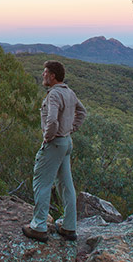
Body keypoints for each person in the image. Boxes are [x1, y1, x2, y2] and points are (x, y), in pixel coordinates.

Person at [22, 60, 87, 243]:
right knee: (66, 185)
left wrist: (48, 137)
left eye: (45, 72)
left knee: (42, 183)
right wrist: (71, 129)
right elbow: (82, 112)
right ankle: (69, 227)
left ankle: (39, 227)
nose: (43, 75)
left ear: (52, 76)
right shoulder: (69, 92)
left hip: (55, 143)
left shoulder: (54, 95)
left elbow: (51, 121)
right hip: (66, 143)